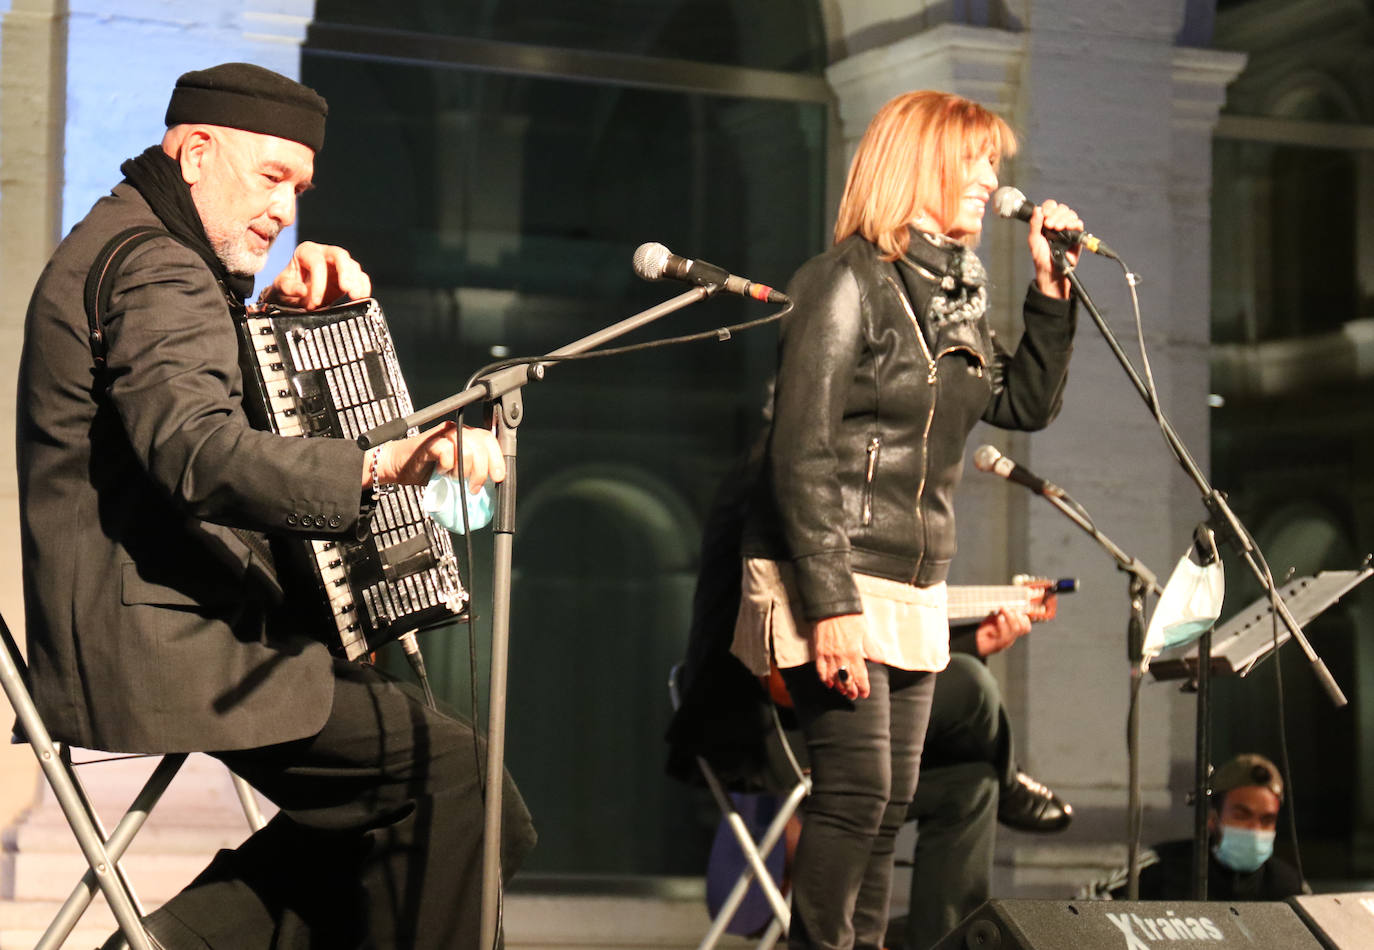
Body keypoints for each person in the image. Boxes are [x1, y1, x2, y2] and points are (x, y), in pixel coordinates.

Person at [15, 62, 536, 949]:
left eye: (299, 187)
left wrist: (274, 322)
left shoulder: (135, 245)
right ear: (197, 152)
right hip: (168, 648)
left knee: (446, 798)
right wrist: (385, 462)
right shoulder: (158, 270)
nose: (285, 210)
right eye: (271, 177)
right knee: (459, 783)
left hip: (170, 632)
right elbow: (198, 452)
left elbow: (182, 407)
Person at [729, 89, 1082, 949]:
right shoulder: (842, 281)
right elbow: (800, 455)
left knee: (888, 803)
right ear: (922, 162)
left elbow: (1024, 403)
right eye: (977, 160)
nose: (992, 181)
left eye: (995, 164)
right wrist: (833, 604)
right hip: (830, 569)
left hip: (915, 577)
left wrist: (1050, 289)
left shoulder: (957, 293)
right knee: (855, 795)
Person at [893, 612, 1073, 950]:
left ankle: (942, 946)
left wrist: (977, 640)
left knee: (974, 785)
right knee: (970, 681)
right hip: (807, 730)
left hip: (875, 710)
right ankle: (1010, 782)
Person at [1104, 753, 1305, 902]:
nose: (1255, 829)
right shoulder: (1160, 866)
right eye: (1242, 816)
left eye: (1267, 820)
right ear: (1212, 818)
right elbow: (1085, 912)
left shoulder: (1288, 885)